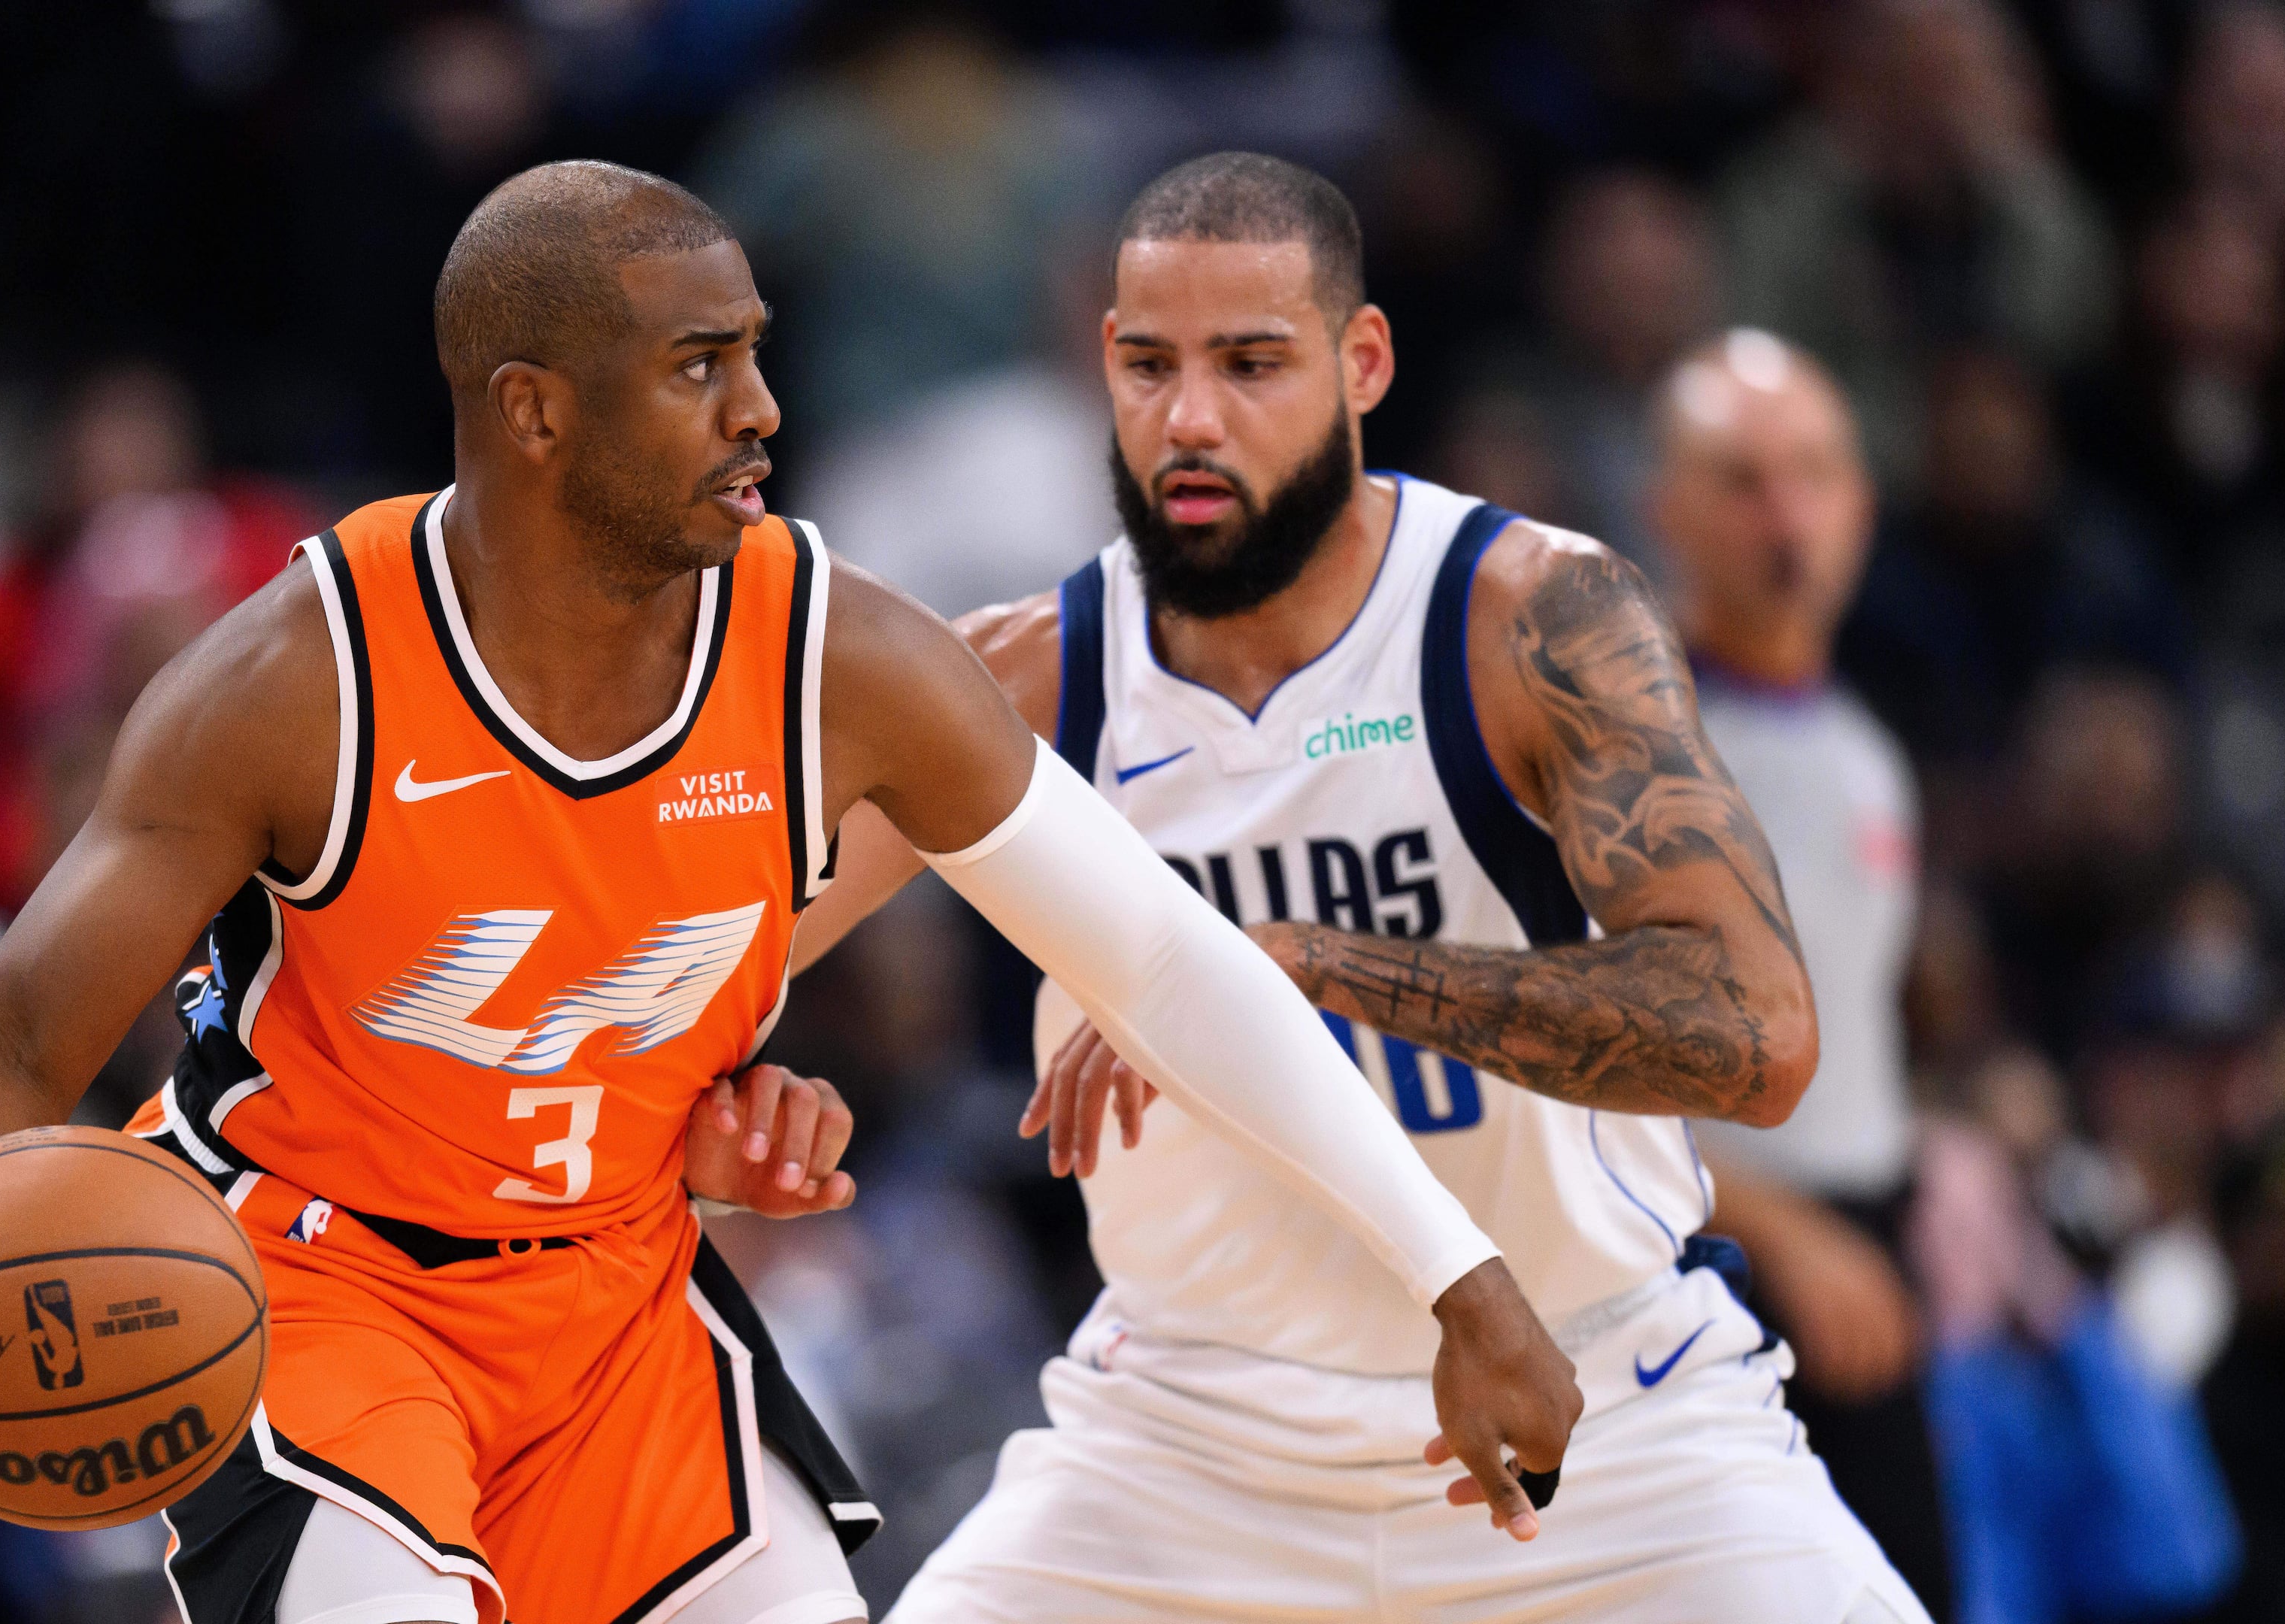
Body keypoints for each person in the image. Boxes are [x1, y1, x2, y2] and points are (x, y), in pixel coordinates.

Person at [0, 160, 1581, 1624]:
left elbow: (1164, 962)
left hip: (620, 1312)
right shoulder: (297, 681)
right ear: (537, 414)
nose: (764, 411)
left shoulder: (841, 661)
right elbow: (22, 1036)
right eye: (701, 366)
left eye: (757, 354)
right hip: (316, 1297)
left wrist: (1461, 1280)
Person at [791, 153, 1925, 1621]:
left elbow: (1755, 1037)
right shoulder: (1022, 674)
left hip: (1606, 1422)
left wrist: (1320, 966)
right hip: (1184, 1454)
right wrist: (728, 1098)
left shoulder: (1529, 618)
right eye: (1150, 366)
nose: (1191, 418)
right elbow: (697, 962)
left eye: (1250, 364)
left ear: (1362, 361)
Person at [1647, 329, 1956, 1616]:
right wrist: (1777, 1227)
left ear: (1861, 505)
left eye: (1814, 473)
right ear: (1666, 507)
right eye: (1743, 477)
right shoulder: (1620, 746)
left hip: (1868, 1253)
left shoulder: (1863, 749)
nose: (1788, 514)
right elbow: (1546, 1064)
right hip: (1705, 1259)